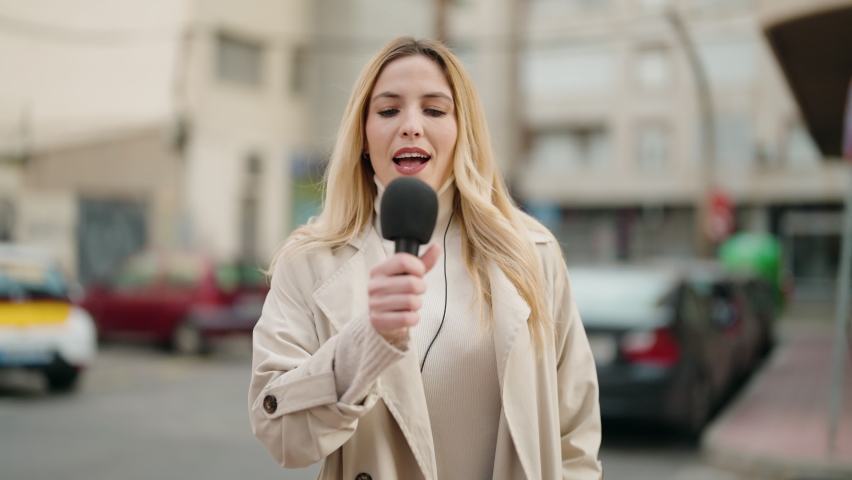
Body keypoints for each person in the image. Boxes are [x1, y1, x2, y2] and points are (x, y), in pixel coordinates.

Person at [248, 36, 603, 480]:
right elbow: (280, 435)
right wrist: (365, 340)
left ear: (462, 132)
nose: (411, 125)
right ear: (362, 135)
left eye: (434, 110)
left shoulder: (533, 253)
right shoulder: (308, 263)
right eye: (388, 110)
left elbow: (576, 435)